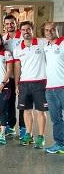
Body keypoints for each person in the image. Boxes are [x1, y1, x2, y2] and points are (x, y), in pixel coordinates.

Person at [14, 21, 47, 148]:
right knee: (26, 111)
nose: (26, 31)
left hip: (40, 82)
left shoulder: (42, 42)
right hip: (24, 83)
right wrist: (17, 84)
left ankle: (41, 136)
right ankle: (29, 134)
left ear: (32, 30)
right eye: (23, 29)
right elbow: (17, 68)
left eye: (28, 29)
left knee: (40, 111)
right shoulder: (18, 49)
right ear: (20, 31)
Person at [2, 14, 25, 138]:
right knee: (9, 102)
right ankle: (11, 126)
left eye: (12, 23)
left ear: (16, 23)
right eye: (7, 24)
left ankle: (23, 128)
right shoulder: (3, 38)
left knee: (22, 102)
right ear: (4, 25)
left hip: (22, 76)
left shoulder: (22, 37)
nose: (10, 25)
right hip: (8, 77)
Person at [43, 22, 64, 154]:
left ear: (57, 30)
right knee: (56, 119)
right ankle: (60, 144)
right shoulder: (46, 46)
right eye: (47, 30)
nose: (49, 32)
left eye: (52, 30)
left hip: (63, 87)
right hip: (50, 89)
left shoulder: (63, 43)